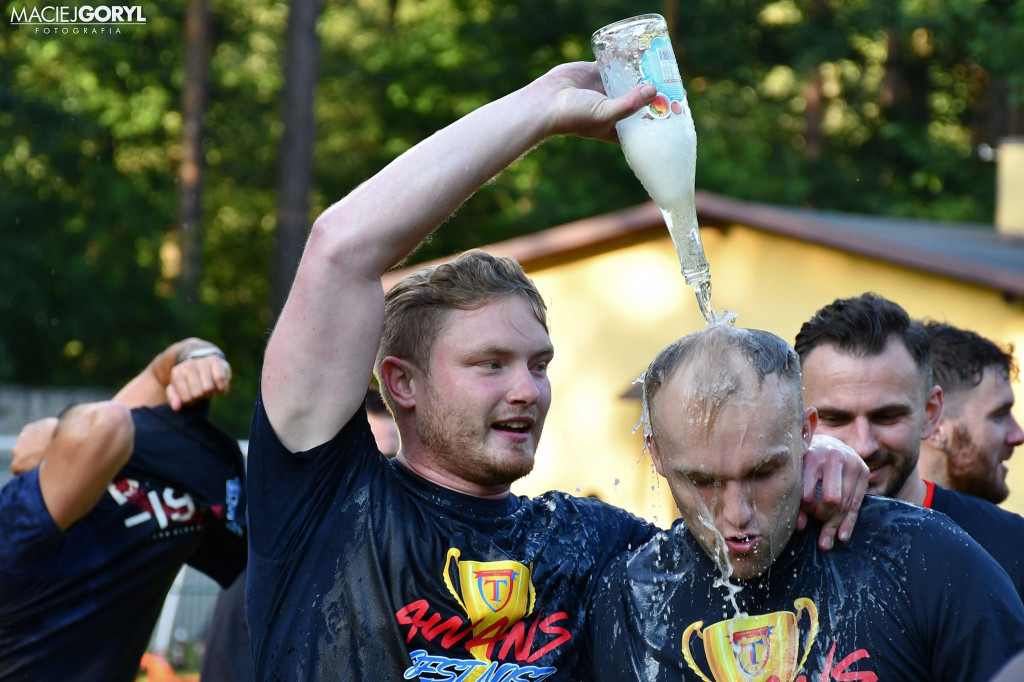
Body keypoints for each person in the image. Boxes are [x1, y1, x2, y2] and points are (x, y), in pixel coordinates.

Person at [247, 61, 869, 680]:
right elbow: (339, 247)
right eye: (490, 365)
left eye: (538, 364)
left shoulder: (591, 543)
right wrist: (542, 108)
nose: (527, 391)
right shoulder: (327, 502)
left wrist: (804, 461)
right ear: (402, 382)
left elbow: (737, 529)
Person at [584, 325, 1024, 682]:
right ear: (655, 453)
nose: (737, 514)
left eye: (763, 472)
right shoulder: (627, 597)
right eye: (702, 480)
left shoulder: (927, 559)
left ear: (806, 432)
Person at [0, 339, 247, 682]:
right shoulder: (17, 537)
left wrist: (198, 357)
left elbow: (152, 380)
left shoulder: (27, 510)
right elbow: (108, 423)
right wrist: (58, 432)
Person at [795, 293, 1024, 597]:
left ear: (931, 413)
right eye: (836, 419)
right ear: (796, 421)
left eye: (887, 417)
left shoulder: (1010, 546)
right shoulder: (763, 536)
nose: (863, 446)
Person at [199, 388, 396, 682]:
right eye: (367, 463)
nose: (381, 479)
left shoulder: (375, 568)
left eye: (390, 461)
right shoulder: (281, 582)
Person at [918, 322, 1023, 504]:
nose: (1018, 435)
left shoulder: (1009, 530)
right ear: (934, 425)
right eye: (998, 415)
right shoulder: (860, 526)